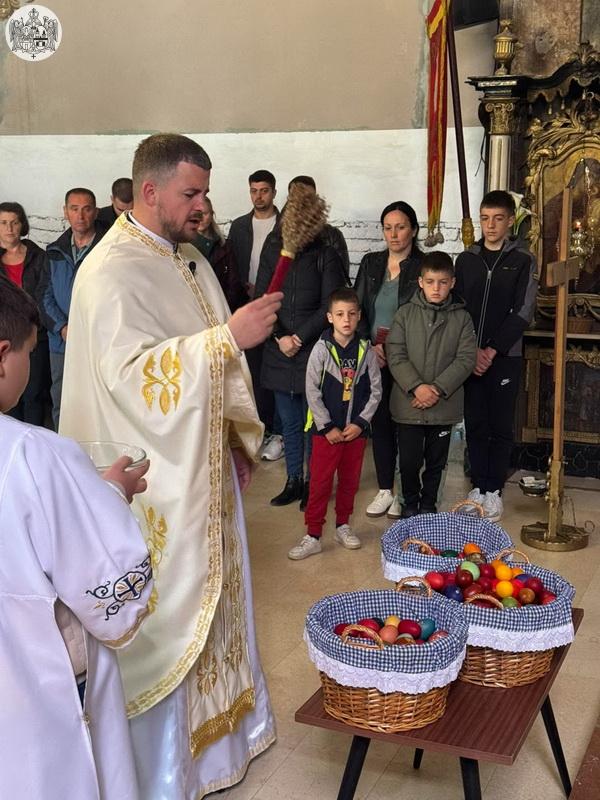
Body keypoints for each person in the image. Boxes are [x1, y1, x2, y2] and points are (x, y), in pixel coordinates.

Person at [59, 133, 282, 800]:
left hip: (201, 470)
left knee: (220, 606)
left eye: (206, 192)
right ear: (150, 192)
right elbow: (129, 377)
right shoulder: (111, 270)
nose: (203, 206)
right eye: (192, 193)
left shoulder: (190, 259)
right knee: (169, 616)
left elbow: (210, 358)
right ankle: (169, 770)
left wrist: (233, 432)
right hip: (153, 484)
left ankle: (227, 741)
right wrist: (227, 339)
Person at [0, 277, 153, 799]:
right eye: (28, 352)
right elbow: (108, 586)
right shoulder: (34, 453)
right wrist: (108, 496)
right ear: (2, 355)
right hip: (30, 681)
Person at [255, 201, 347, 510]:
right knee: (289, 424)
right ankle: (293, 480)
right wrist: (280, 336)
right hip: (279, 350)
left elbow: (329, 304)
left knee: (313, 425)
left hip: (312, 349)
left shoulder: (325, 254)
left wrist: (298, 337)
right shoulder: (274, 252)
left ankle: (312, 483)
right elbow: (263, 298)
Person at [454, 190, 537, 521]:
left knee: (500, 424)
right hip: (470, 356)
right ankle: (478, 486)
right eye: (485, 218)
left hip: (504, 356)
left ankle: (494, 491)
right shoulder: (467, 259)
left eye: (498, 219)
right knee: (475, 422)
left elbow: (523, 311)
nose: (490, 226)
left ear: (510, 222)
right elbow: (458, 308)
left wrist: (491, 350)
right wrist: (471, 350)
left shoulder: (523, 260)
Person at [288, 288, 381, 559]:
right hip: (325, 433)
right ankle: (313, 534)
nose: (346, 319)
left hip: (355, 432)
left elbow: (375, 391)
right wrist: (327, 426)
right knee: (320, 483)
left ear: (359, 316)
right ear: (329, 317)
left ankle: (343, 526)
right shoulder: (321, 349)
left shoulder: (365, 350)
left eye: (351, 314)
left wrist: (361, 423)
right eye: (340, 314)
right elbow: (311, 390)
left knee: (349, 482)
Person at [387, 252, 476, 516]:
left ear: (452, 283)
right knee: (408, 462)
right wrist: (417, 387)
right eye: (430, 282)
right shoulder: (404, 314)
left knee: (437, 463)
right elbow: (395, 353)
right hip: (409, 404)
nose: (436, 288)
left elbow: (466, 358)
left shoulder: (462, 318)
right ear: (420, 282)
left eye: (443, 282)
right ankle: (408, 505)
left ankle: (429, 507)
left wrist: (436, 389)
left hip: (443, 406)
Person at [354, 200, 423, 519]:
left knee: (406, 427)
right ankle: (385, 489)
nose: (394, 234)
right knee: (379, 423)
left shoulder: (423, 267)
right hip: (374, 357)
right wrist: (368, 346)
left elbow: (424, 316)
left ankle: (405, 492)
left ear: (414, 230)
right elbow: (357, 309)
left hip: (409, 358)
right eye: (388, 228)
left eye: (401, 227)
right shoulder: (371, 263)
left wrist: (393, 348)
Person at [228, 169, 283, 460]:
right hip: (244, 303)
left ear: (274, 192)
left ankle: (276, 430)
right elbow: (232, 263)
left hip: (275, 304)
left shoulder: (284, 226)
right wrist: (242, 287)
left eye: (264, 190)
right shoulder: (239, 226)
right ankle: (256, 426)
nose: (258, 196)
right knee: (250, 369)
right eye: (253, 190)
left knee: (273, 370)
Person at [39, 187, 105, 428]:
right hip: (61, 343)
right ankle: (64, 446)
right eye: (74, 209)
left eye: (86, 209)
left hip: (99, 339)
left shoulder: (109, 248)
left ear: (96, 212)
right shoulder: (54, 251)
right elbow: (43, 295)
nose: (80, 216)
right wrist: (62, 327)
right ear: (65, 212)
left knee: (97, 401)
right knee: (62, 400)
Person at [0, 201, 51, 425]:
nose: (9, 228)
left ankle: (33, 438)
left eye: (14, 222)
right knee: (7, 395)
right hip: (5, 334)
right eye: (3, 223)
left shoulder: (38, 256)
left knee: (34, 393)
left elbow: (45, 293)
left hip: (34, 335)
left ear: (22, 225)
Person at [288, 175, 350, 281]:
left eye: (309, 198)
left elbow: (340, 279)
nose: (303, 203)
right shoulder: (276, 237)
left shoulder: (332, 236)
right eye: (297, 198)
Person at [192, 196, 248, 311]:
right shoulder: (183, 246)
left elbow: (233, 283)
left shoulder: (225, 246)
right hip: (195, 309)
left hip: (223, 307)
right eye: (197, 214)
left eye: (205, 214)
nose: (200, 218)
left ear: (212, 214)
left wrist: (223, 309)